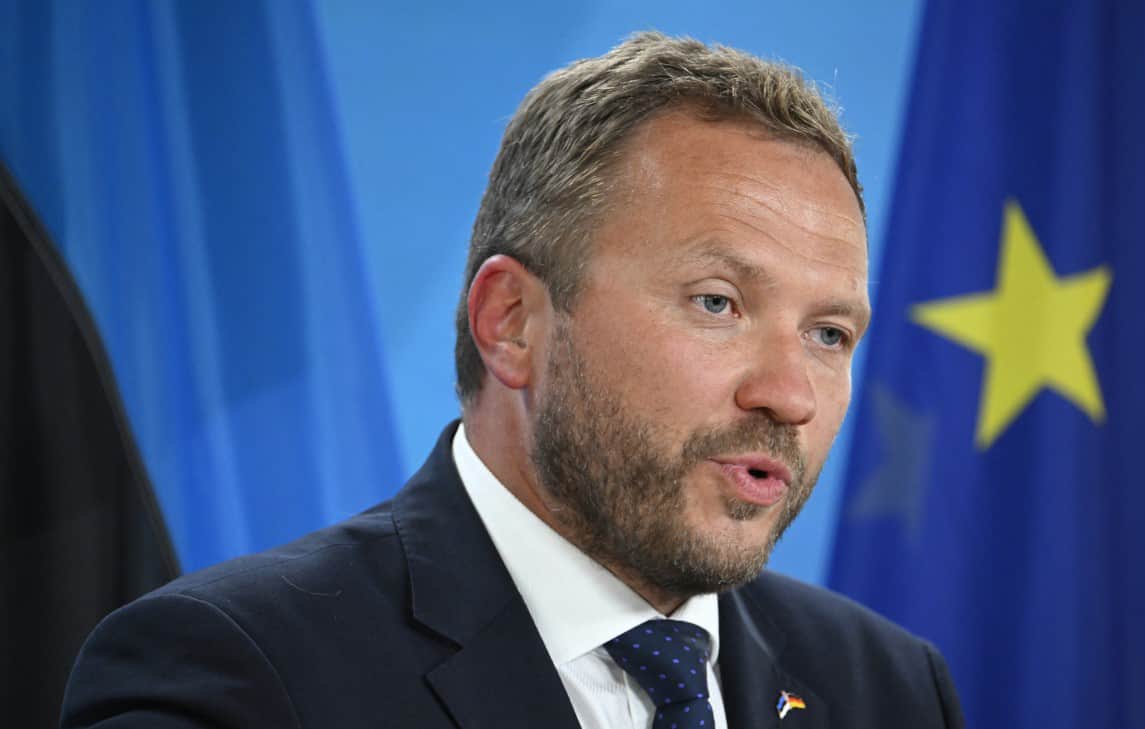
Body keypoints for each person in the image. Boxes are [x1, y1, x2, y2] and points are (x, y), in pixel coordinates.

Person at [61, 32, 964, 729]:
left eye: (829, 334)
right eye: (717, 303)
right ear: (513, 323)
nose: (790, 395)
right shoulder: (239, 677)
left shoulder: (888, 689)